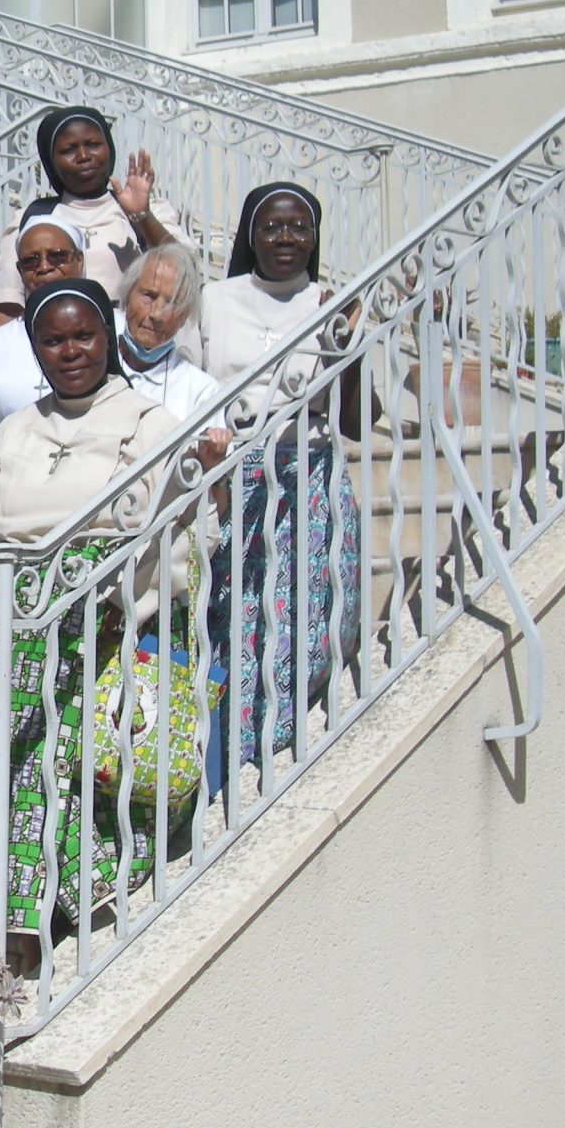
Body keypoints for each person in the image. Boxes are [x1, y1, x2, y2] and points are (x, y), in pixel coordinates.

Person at [0, 283, 187, 946]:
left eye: (82, 335)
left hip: (106, 634)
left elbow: (175, 530)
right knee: (16, 790)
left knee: (89, 779)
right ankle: (21, 939)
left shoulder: (148, 423)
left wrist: (124, 605)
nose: (69, 350)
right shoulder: (14, 431)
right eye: (52, 340)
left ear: (107, 335)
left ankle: (92, 920)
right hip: (17, 636)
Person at [195, 183, 363, 782]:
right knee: (232, 613)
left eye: (299, 228)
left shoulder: (329, 302)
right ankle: (235, 753)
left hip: (309, 474)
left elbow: (352, 421)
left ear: (315, 239)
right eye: (271, 227)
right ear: (249, 235)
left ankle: (287, 736)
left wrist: (348, 343)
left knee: (310, 616)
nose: (285, 238)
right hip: (233, 474)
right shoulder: (214, 299)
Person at [0, 216, 87, 575]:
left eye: (57, 256)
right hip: (10, 528)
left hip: (88, 525)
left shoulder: (109, 335)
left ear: (79, 261)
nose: (44, 268)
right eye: (31, 261)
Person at [0, 106, 189, 325]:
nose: (83, 156)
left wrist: (142, 216)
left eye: (93, 145)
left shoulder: (148, 210)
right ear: (51, 161)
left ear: (109, 148)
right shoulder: (31, 220)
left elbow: (186, 272)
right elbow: (7, 308)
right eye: (68, 150)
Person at [117, 242, 227, 429]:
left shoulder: (201, 391)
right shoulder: (89, 367)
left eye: (173, 303)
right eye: (149, 296)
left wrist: (210, 457)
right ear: (127, 296)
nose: (157, 314)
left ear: (185, 317)